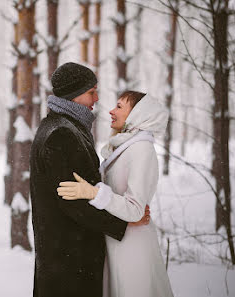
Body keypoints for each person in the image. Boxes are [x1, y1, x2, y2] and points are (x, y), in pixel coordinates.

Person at [29, 63, 149, 297]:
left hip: (64, 256)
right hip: (69, 260)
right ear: (74, 95)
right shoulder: (61, 134)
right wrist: (124, 222)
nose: (97, 97)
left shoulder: (62, 126)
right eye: (91, 91)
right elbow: (71, 201)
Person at [57, 91, 174, 297]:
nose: (111, 111)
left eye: (119, 107)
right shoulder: (124, 147)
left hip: (133, 249)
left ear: (138, 114)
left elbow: (135, 210)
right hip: (117, 241)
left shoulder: (141, 150)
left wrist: (94, 193)